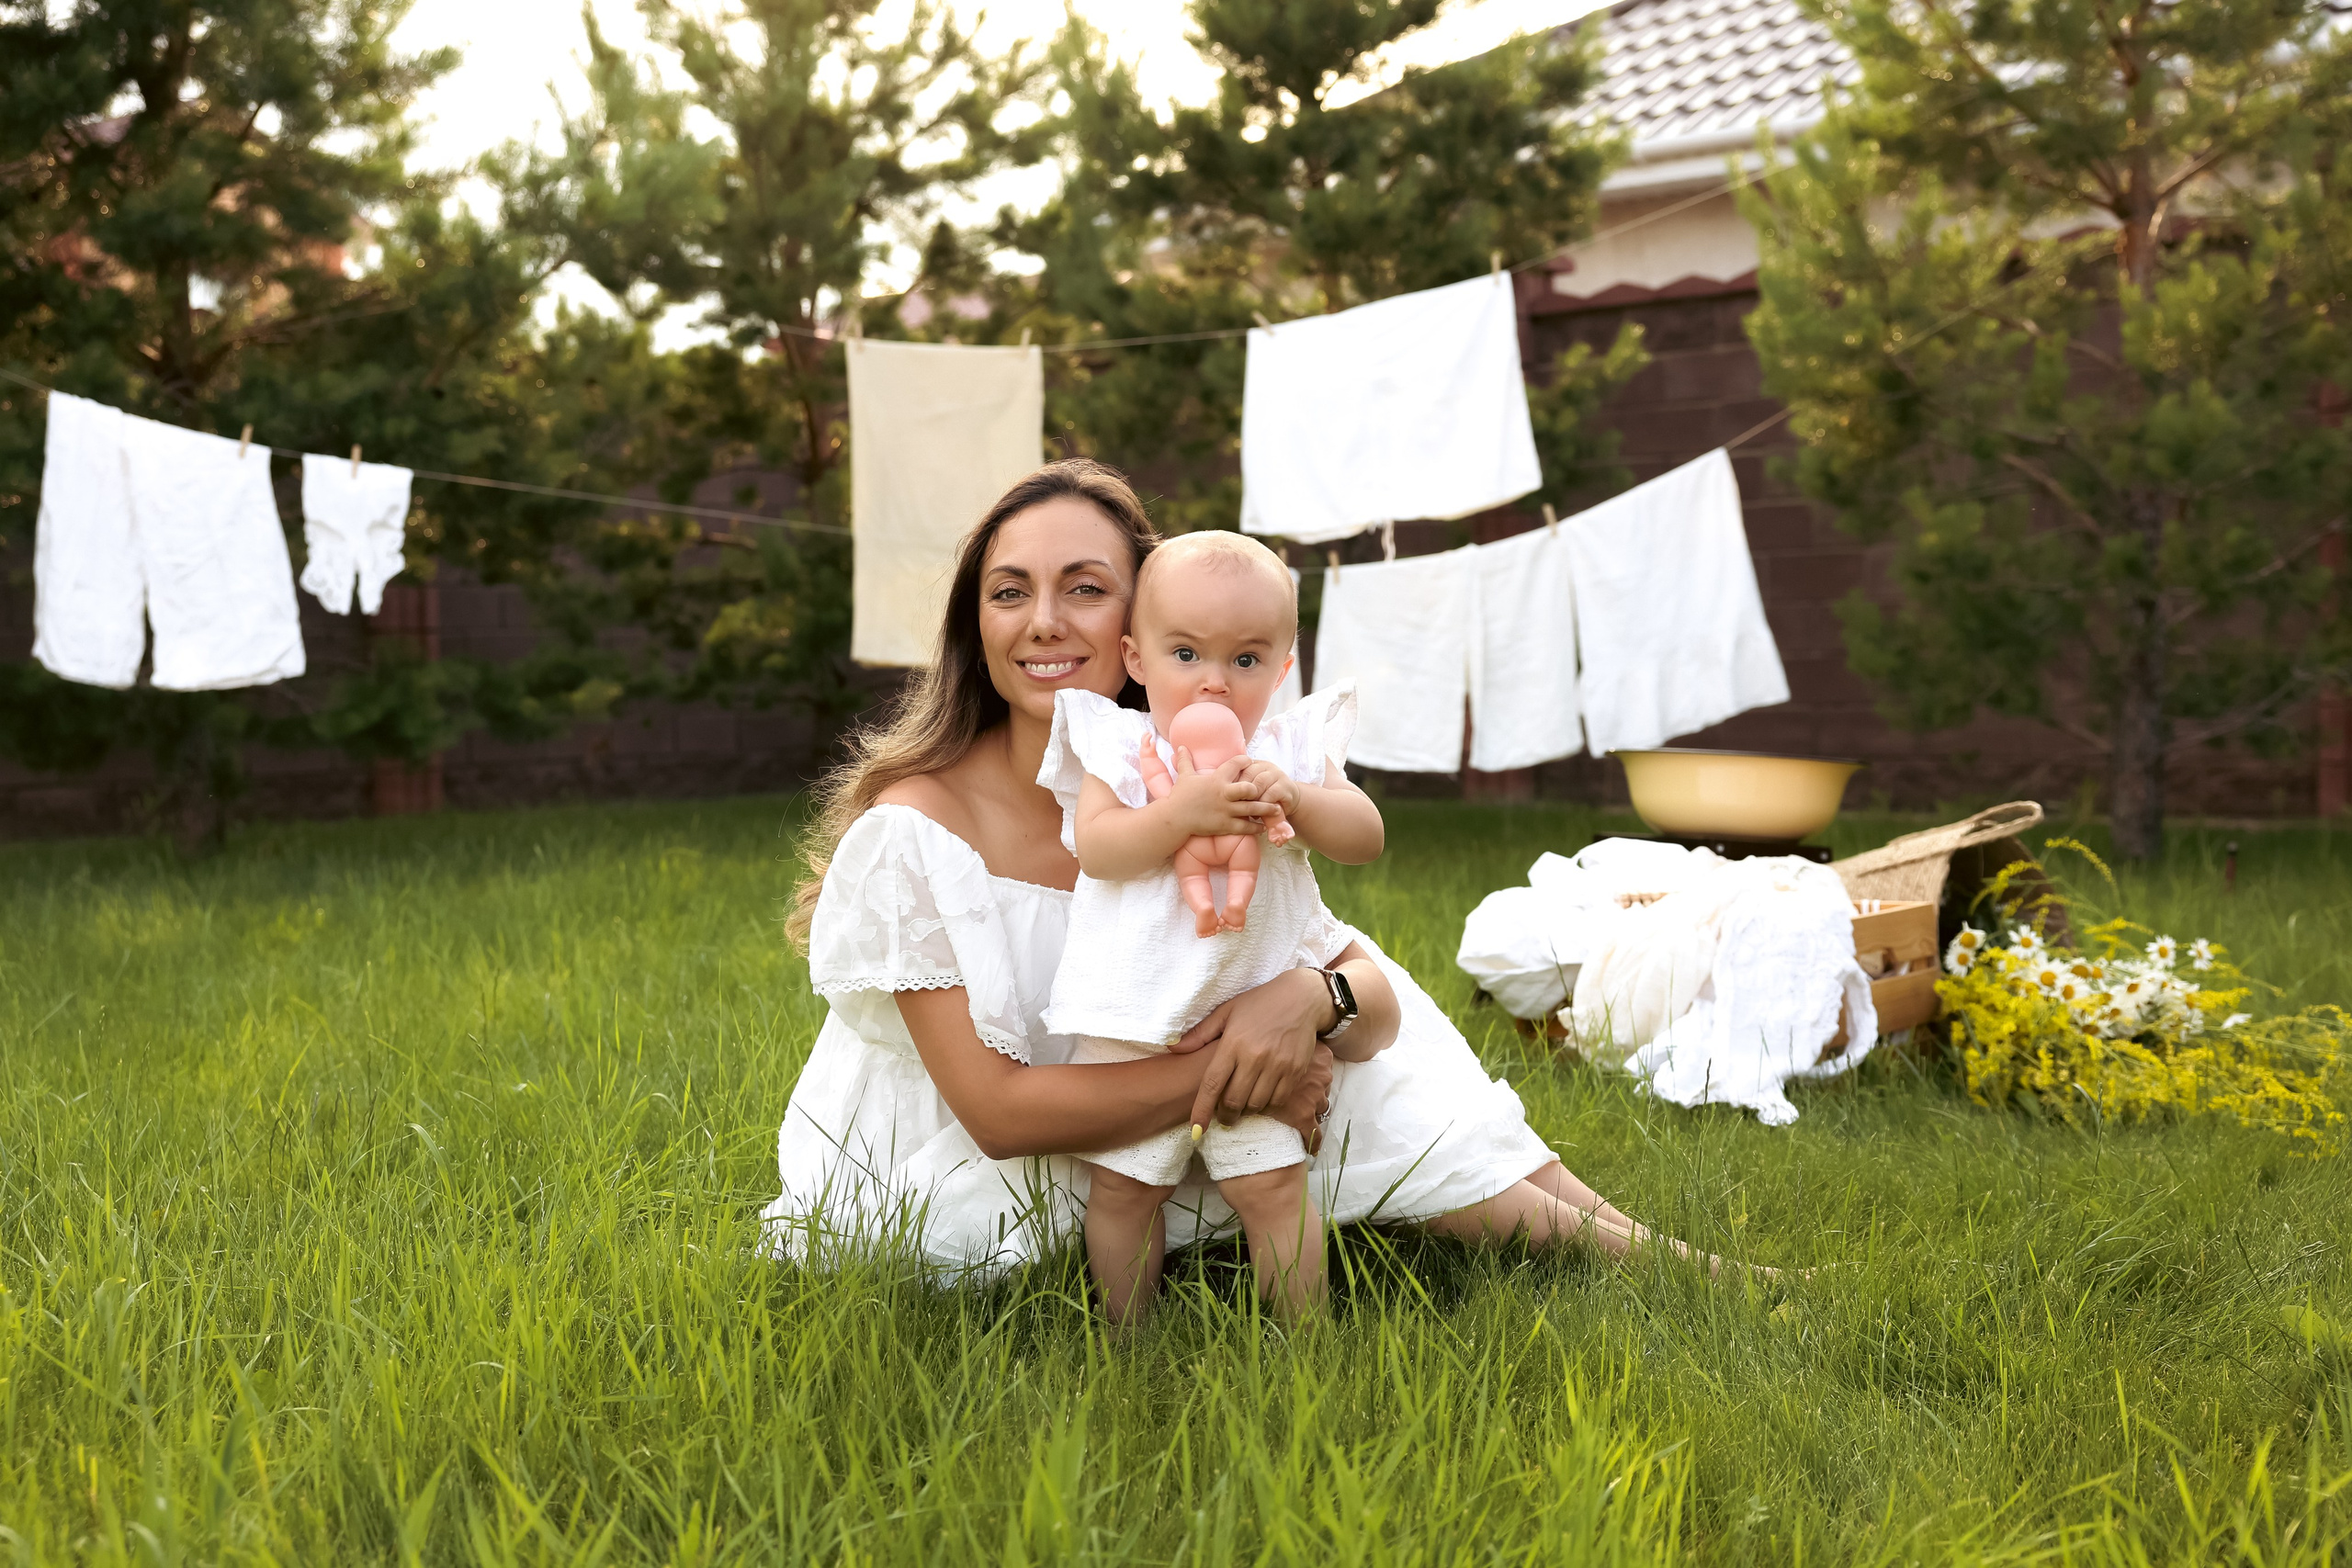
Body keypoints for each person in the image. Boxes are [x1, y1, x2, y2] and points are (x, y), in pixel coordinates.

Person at [766, 458, 1706, 1285]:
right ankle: (1659, 1264)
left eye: (1084, 588)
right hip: (975, 1174)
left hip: (1153, 1123)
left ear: (1144, 620)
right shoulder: (917, 829)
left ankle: (1661, 1258)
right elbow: (999, 1116)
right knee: (1314, 1072)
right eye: (1009, 592)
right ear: (977, 623)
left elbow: (1382, 1009)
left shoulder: (1200, 780)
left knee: (1352, 1046)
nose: (1043, 621)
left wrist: (1307, 1002)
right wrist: (1250, 1070)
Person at [1044, 531, 1380, 1321]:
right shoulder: (1122, 745)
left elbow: (1365, 835)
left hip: (1255, 1018)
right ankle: (1123, 1341)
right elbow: (1099, 848)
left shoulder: (1289, 750)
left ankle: (1305, 1345)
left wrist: (1299, 800)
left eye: (1246, 659)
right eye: (1186, 653)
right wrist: (1178, 814)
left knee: (1272, 1187)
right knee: (1124, 1190)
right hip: (1135, 1021)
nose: (1215, 682)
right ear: (1136, 658)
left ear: (1284, 668)